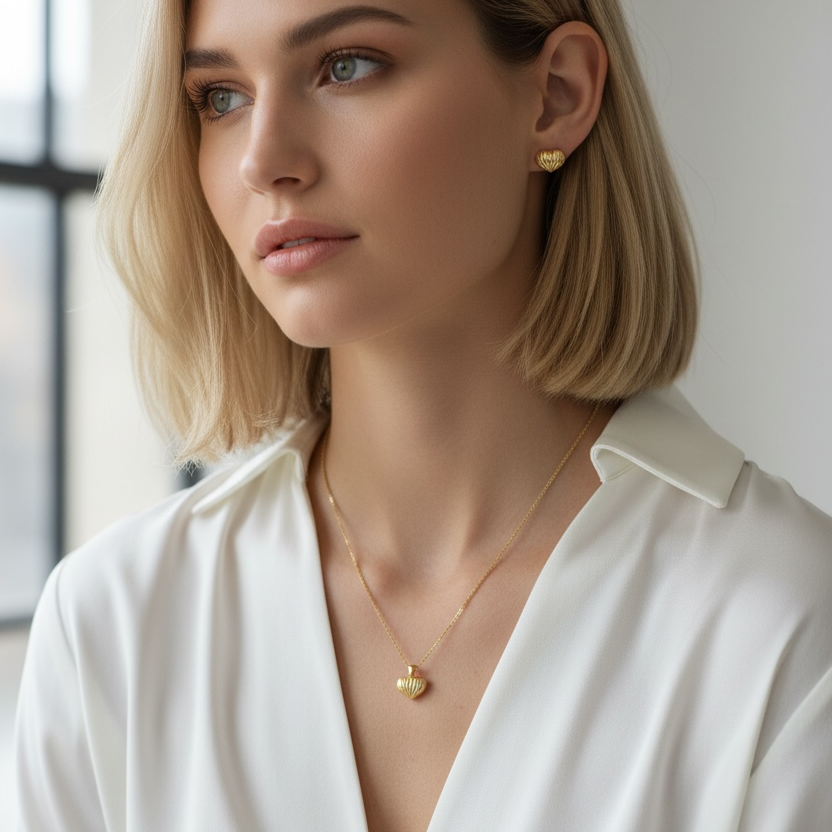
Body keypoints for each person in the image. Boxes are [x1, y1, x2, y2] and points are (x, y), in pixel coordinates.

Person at [15, 0, 832, 829]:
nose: (263, 160)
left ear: (557, 93)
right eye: (221, 97)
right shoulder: (114, 623)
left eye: (347, 66)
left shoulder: (787, 621)